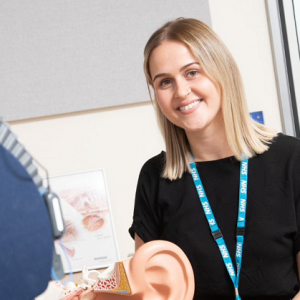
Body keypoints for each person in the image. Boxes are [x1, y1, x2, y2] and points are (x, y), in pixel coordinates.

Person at [129, 18, 300, 300]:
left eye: (192, 72)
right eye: (165, 82)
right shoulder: (154, 178)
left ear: (222, 71)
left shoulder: (291, 160)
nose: (181, 91)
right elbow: (148, 293)